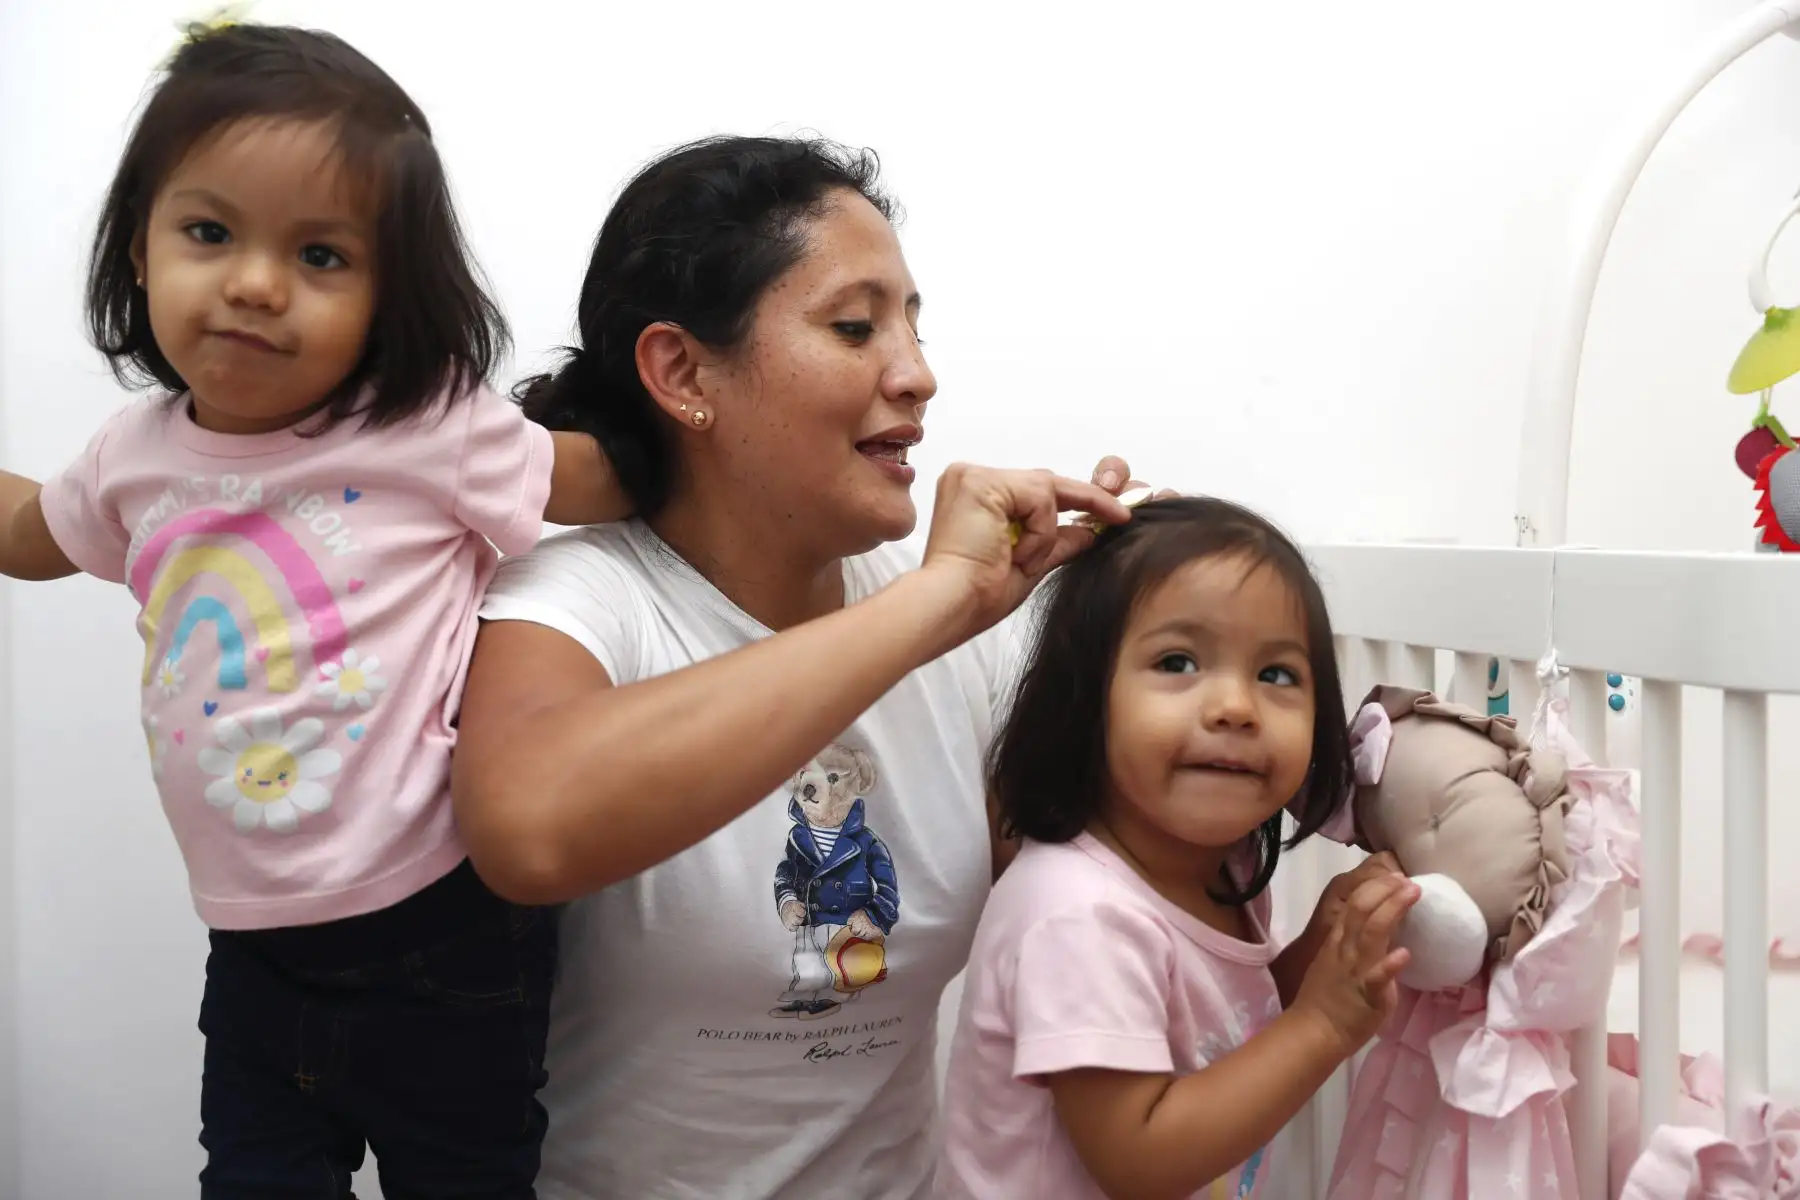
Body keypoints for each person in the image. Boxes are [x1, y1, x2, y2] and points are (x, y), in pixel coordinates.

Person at [0, 19, 629, 1197]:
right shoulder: (131, 459)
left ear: (390, 297)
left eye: (322, 256)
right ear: (139, 249)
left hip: (444, 930)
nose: (252, 282)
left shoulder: (429, 430)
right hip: (251, 953)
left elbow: (603, 481)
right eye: (207, 231)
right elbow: (31, 535)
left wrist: (749, 449)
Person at [449, 133, 1138, 1199]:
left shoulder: (938, 622)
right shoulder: (580, 598)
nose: (916, 372)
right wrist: (938, 600)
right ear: (682, 373)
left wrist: (1178, 621)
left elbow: (1085, 864)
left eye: (912, 323)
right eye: (855, 326)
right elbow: (528, 828)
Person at [934, 496, 1420, 1199]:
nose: (1235, 706)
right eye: (1178, 661)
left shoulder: (1225, 866)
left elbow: (1222, 1043)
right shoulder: (1080, 915)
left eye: (1277, 675)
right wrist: (1322, 1024)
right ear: (1084, 701)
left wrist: (1316, 955)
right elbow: (1140, 1156)